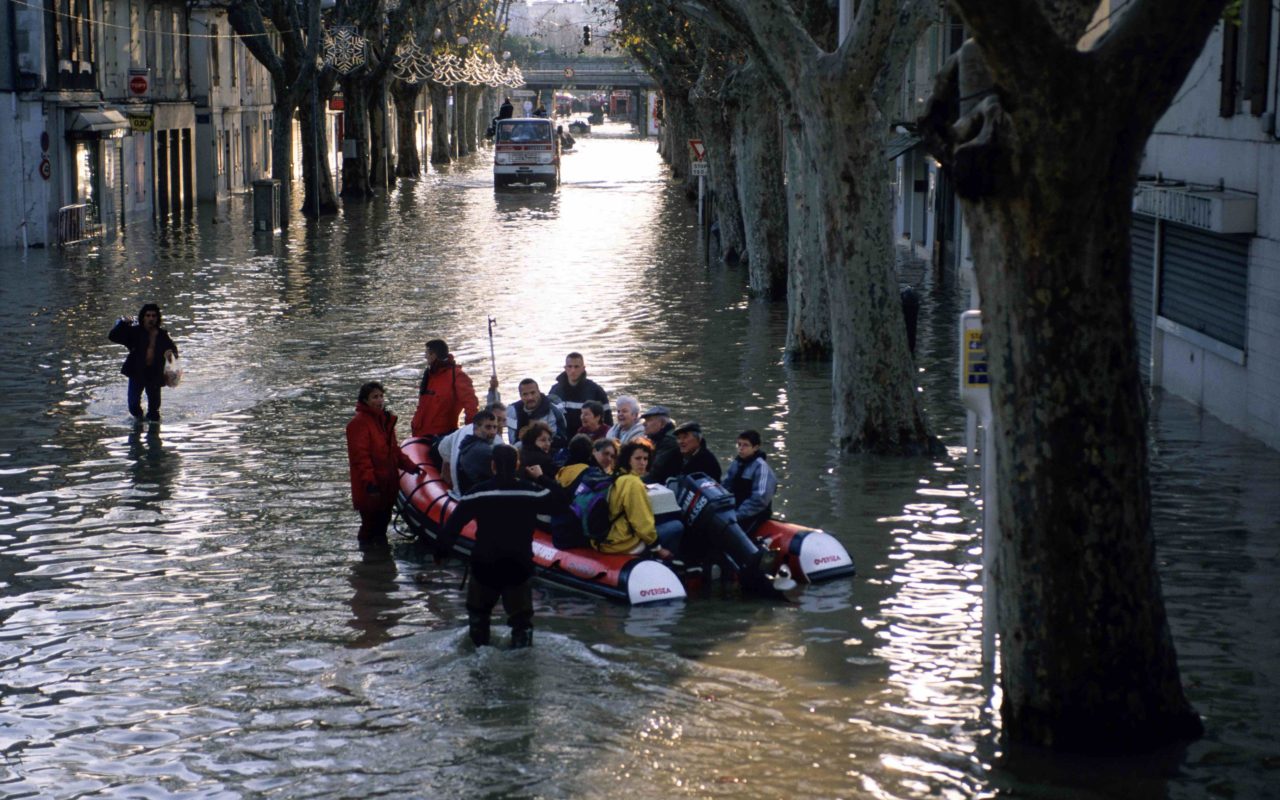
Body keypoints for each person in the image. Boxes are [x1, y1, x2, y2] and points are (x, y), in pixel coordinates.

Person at [435, 444, 562, 648]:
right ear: (518, 465)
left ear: (492, 465)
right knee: (521, 623)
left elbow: (452, 527)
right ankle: (521, 663)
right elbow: (561, 500)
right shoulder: (531, 493)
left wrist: (440, 552)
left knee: (478, 617)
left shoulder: (476, 494)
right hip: (518, 566)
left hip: (485, 565)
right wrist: (540, 477)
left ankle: (479, 664)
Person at [346, 381, 420, 559]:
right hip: (372, 487)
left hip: (388, 483)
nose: (379, 400)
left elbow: (394, 451)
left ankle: (379, 563)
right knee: (370, 526)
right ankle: (368, 559)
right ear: (365, 400)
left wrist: (411, 467)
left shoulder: (385, 421)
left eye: (380, 396)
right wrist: (370, 483)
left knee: (382, 525)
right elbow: (360, 458)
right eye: (374, 397)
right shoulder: (358, 424)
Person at [594, 438, 672, 559]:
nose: (643, 463)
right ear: (628, 460)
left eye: (645, 459)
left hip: (603, 537)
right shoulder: (633, 483)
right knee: (677, 526)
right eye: (638, 458)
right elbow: (642, 523)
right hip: (620, 543)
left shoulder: (616, 475)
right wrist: (658, 547)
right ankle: (671, 566)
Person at [108, 303, 178, 422]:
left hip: (154, 374)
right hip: (136, 372)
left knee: (154, 410)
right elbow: (113, 337)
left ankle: (153, 432)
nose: (151, 318)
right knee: (133, 405)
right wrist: (123, 324)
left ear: (157, 318)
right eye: (148, 315)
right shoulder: (134, 332)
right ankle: (139, 421)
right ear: (143, 317)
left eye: (154, 316)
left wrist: (170, 354)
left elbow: (173, 351)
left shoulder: (162, 335)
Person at [411, 339, 479, 438]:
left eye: (426, 353)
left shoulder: (457, 376)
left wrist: (470, 433)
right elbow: (422, 406)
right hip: (420, 435)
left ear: (433, 354)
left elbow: (471, 406)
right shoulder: (429, 375)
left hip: (443, 436)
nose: (425, 356)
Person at [439, 401, 506, 493]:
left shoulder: (463, 431)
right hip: (473, 496)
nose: (500, 425)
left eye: (503, 421)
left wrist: (446, 471)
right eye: (498, 419)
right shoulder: (494, 443)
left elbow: (443, 447)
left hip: (458, 490)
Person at [723, 429, 778, 534]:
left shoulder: (761, 468)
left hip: (755, 514)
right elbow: (726, 485)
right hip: (736, 509)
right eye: (739, 444)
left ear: (756, 447)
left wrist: (736, 515)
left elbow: (760, 499)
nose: (740, 448)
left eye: (745, 445)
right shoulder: (737, 463)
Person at [548, 352, 611, 436]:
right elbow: (549, 417)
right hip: (562, 438)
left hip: (587, 439)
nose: (573, 370)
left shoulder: (596, 391)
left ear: (583, 368)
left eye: (576, 367)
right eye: (570, 366)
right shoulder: (555, 391)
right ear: (565, 368)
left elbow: (608, 420)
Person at [506, 378, 568, 449]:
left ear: (539, 392)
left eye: (533, 393)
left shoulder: (552, 410)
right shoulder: (512, 411)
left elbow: (553, 439)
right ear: (520, 396)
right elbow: (513, 442)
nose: (530, 397)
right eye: (525, 394)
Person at [454, 409, 502, 495]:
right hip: (481, 500)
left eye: (495, 427)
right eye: (488, 427)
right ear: (476, 428)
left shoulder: (468, 445)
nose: (493, 432)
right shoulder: (481, 451)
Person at [639, 405, 681, 485]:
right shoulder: (657, 438)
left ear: (662, 424)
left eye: (649, 420)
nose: (644, 424)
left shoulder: (669, 441)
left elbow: (655, 472)